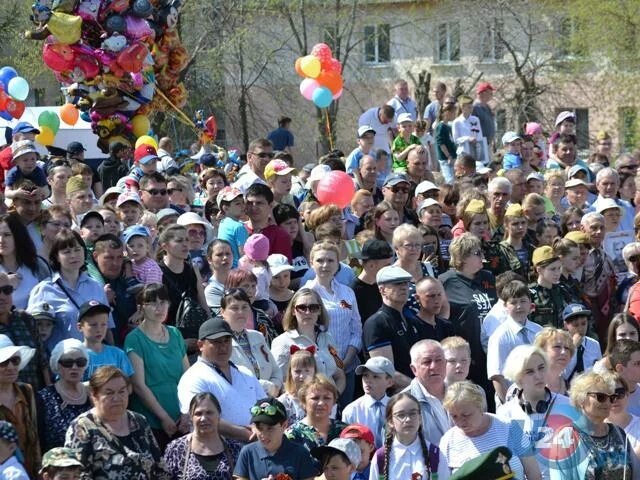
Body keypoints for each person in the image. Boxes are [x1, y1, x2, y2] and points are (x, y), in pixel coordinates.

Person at [65, 366, 170, 479]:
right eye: (109, 393)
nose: (117, 398)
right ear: (95, 395)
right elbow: (77, 475)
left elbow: (159, 466)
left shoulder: (139, 421)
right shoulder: (81, 427)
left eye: (121, 391)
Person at [177, 317, 265, 442]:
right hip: (217, 453)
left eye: (227, 340)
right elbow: (200, 418)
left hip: (256, 447)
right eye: (216, 342)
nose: (223, 346)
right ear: (200, 345)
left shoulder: (245, 372)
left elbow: (264, 406)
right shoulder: (193, 377)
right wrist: (247, 434)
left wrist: (261, 427)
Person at [125, 284, 189, 449]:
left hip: (181, 418)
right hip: (151, 421)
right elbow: (138, 385)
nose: (159, 307)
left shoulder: (175, 333)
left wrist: (186, 414)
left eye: (163, 302)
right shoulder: (134, 339)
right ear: (141, 308)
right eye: (152, 302)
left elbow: (188, 377)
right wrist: (164, 418)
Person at [28, 229, 114, 349]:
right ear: (57, 256)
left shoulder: (95, 286)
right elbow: (32, 332)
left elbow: (108, 328)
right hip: (62, 362)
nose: (73, 255)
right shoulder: (43, 290)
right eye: (66, 252)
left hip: (94, 360)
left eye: (77, 250)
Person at [440, 381, 541, 479]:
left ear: (480, 407)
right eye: (454, 416)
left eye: (466, 415)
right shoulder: (448, 441)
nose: (460, 421)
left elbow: (533, 473)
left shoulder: (510, 427)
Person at [304, 241, 361, 404]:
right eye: (320, 260)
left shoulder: (347, 292)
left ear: (338, 264)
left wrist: (346, 361)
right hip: (319, 370)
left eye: (330, 260)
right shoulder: (307, 293)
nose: (325, 265)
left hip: (347, 366)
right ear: (311, 263)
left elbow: (356, 328)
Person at [440, 233, 497, 398]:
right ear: (463, 256)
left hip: (489, 354)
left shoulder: (488, 277)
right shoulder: (446, 281)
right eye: (477, 253)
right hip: (465, 358)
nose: (482, 257)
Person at [270, 288, 346, 391]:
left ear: (319, 310)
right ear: (293, 311)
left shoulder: (327, 338)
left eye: (313, 307)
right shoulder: (282, 342)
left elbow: (339, 374)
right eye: (302, 307)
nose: (307, 312)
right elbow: (279, 382)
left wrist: (333, 398)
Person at [363, 265, 421, 389]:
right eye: (397, 284)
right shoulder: (377, 323)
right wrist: (421, 389)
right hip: (395, 398)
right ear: (382, 290)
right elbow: (386, 371)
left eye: (406, 283)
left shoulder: (411, 320)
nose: (404, 287)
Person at [369, 392, 450, 480]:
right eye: (401, 415)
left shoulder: (435, 455)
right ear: (390, 422)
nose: (408, 419)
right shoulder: (380, 457)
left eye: (412, 413)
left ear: (420, 418)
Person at [567, 371, 633, 478]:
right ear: (581, 399)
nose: (607, 402)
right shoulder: (566, 437)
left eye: (611, 397)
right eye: (601, 397)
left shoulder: (619, 433)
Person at [487, 280, 543, 404]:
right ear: (505, 306)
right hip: (513, 401)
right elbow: (497, 376)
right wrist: (511, 405)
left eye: (523, 301)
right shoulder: (499, 336)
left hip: (540, 398)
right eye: (513, 302)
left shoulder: (539, 331)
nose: (519, 306)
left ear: (530, 303)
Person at [164, 392, 242, 480]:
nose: (204, 418)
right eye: (198, 413)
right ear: (191, 417)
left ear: (219, 414)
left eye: (209, 413)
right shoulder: (176, 449)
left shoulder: (235, 448)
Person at [219, 288, 282, 397]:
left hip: (270, 400)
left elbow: (276, 371)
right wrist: (263, 387)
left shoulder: (258, 336)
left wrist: (274, 387)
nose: (241, 312)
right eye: (234, 308)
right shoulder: (219, 343)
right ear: (222, 312)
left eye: (244, 307)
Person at [235, 397, 317, 480]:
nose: (263, 434)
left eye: (270, 428)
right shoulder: (248, 452)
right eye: (259, 428)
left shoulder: (300, 454)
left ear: (284, 425)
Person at [158, 225, 208, 351]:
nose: (185, 244)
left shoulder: (193, 269)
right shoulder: (157, 271)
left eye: (186, 240)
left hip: (195, 338)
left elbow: (204, 306)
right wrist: (180, 343)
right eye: (179, 241)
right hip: (169, 342)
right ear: (165, 246)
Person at [36, 339, 92, 452]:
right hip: (59, 464)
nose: (75, 367)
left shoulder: (94, 394)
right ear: (57, 365)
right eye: (67, 362)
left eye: (80, 362)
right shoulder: (43, 397)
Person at [0, 335, 40, 477]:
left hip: (31, 470)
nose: (10, 367)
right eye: (3, 362)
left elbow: (35, 434)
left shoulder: (26, 390)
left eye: (15, 360)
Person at [0, 213, 50, 309]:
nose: (1, 240)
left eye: (7, 235)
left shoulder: (37, 265)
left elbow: (50, 297)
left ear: (18, 236)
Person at [285, 374, 348, 451]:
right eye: (315, 398)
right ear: (303, 402)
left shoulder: (345, 431)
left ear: (334, 402)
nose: (321, 403)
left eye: (327, 398)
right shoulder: (292, 435)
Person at [342, 357, 394, 449]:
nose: (368, 380)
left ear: (389, 382)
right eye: (365, 375)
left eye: (375, 376)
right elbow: (347, 446)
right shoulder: (351, 410)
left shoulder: (397, 407)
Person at [244, 183, 292, 260]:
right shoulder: (237, 230)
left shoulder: (280, 235)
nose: (254, 207)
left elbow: (283, 270)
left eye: (259, 203)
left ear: (270, 206)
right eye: (250, 203)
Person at [563, 304, 602, 381]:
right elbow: (564, 375)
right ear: (566, 325)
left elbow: (600, 372)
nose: (580, 328)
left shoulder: (594, 344)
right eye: (576, 325)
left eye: (584, 323)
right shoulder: (560, 345)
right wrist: (573, 347)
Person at [204, 239, 234, 313]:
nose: (225, 258)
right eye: (219, 255)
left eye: (228, 254)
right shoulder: (211, 290)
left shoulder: (243, 281)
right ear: (209, 260)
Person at [434, 103, 458, 183]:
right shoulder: (441, 127)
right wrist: (448, 156)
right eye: (453, 113)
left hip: (452, 157)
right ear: (447, 113)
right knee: (449, 180)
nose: (455, 115)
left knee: (453, 179)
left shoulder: (448, 126)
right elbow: (441, 143)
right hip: (446, 158)